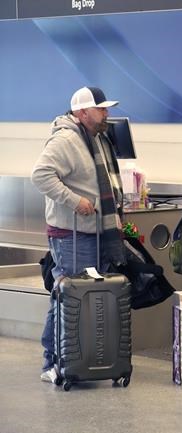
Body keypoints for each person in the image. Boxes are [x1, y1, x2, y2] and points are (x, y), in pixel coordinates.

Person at [31, 86, 125, 383]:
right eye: (101, 109)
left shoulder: (95, 138)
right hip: (71, 235)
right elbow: (41, 175)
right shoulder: (67, 139)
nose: (107, 114)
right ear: (83, 112)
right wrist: (75, 200)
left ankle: (73, 359)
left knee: (74, 297)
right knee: (69, 297)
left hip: (91, 233)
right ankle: (53, 361)